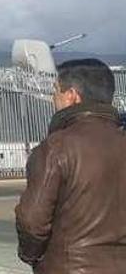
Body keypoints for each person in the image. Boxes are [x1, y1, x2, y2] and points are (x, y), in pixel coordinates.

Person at [15, 59, 126, 272]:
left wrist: (31, 256)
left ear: (72, 96)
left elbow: (32, 221)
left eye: (55, 90)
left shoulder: (56, 148)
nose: (52, 99)